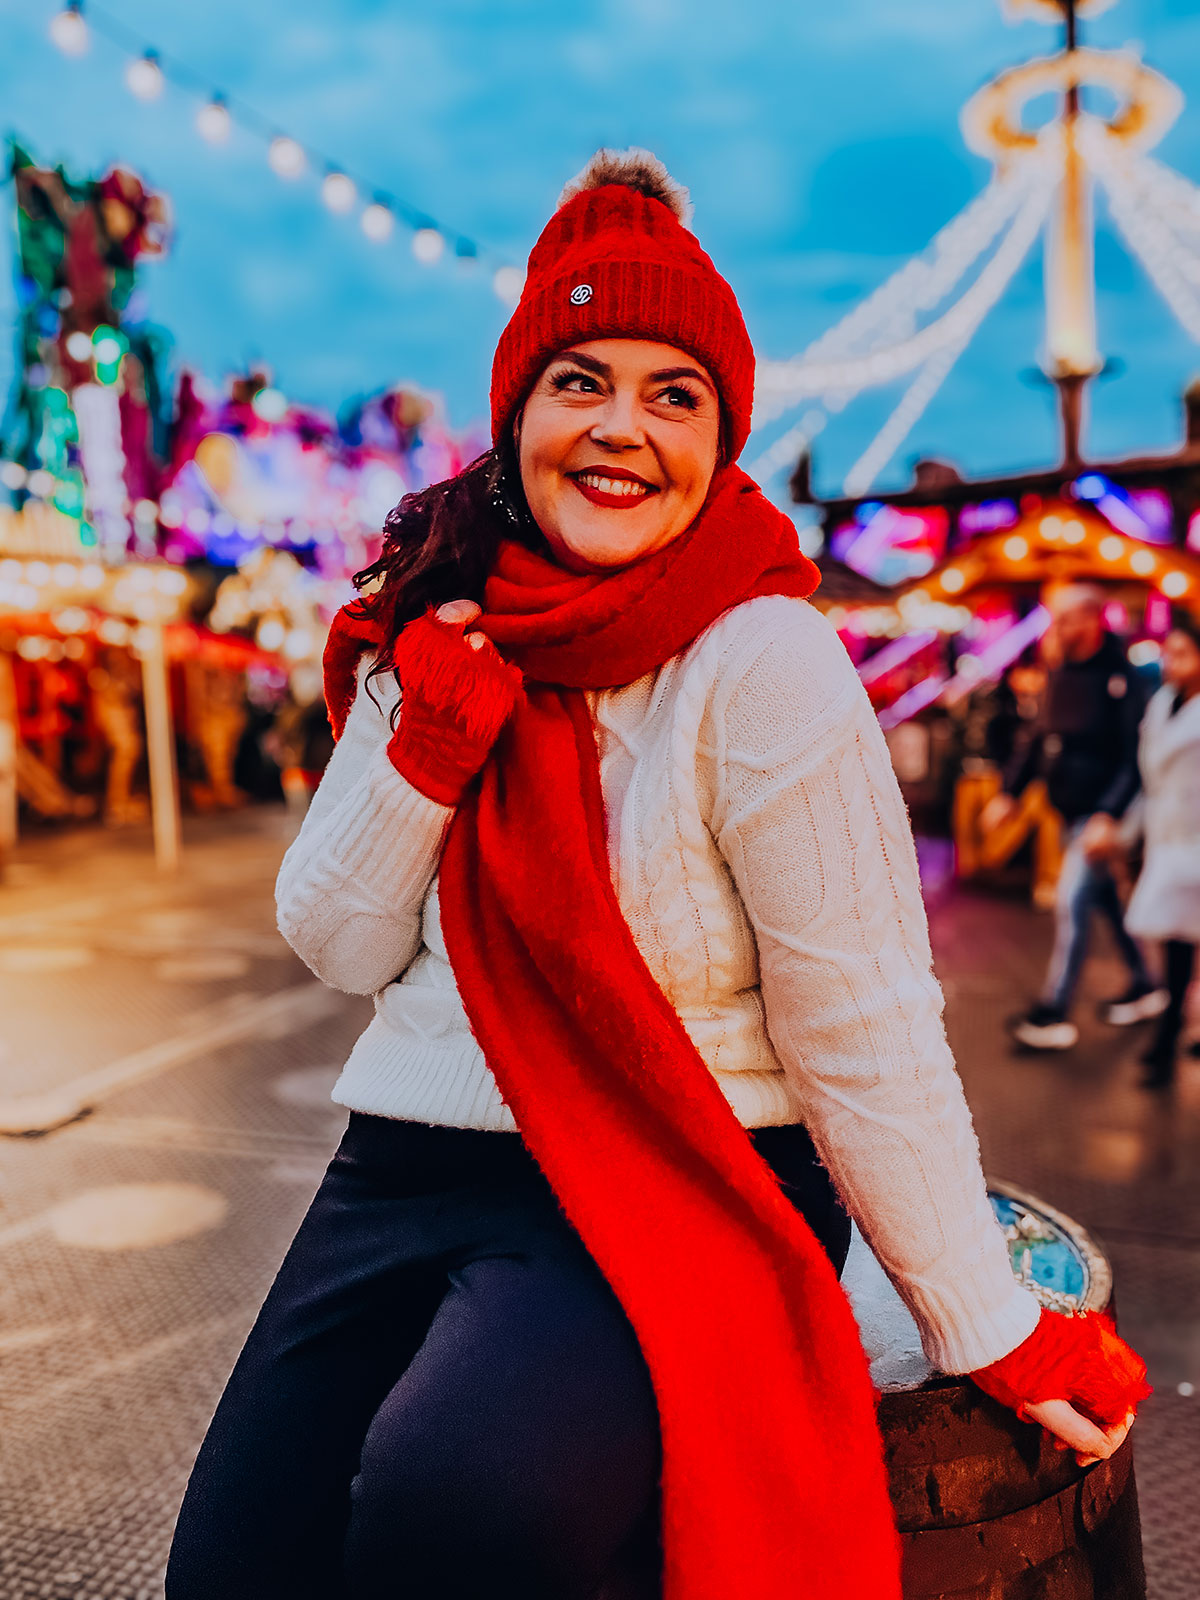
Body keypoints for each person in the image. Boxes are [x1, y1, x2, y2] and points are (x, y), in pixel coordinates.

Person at [166, 151, 1148, 1600]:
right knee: (238, 1557)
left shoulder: (764, 662)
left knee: (468, 1510)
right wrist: (428, 749)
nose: (622, 428)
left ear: (720, 432)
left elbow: (864, 1025)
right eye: (581, 380)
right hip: (407, 1165)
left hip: (685, 1164)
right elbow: (339, 943)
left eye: (671, 393)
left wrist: (982, 1318)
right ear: (519, 413)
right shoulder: (435, 632)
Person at [983, 585, 1166, 1050]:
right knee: (1102, 899)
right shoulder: (1059, 673)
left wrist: (1108, 815)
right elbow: (1036, 737)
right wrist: (1009, 793)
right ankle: (1146, 984)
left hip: (1101, 815)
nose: (1057, 630)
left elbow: (1135, 757)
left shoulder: (1125, 677)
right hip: (1068, 810)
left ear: (1090, 620)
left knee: (1072, 901)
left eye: (1065, 620)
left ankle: (1054, 1012)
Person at [1122, 617, 1200, 1087]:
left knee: (1183, 944)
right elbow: (1148, 780)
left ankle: (1170, 1035)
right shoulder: (1162, 704)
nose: (1171, 661)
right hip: (1173, 841)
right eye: (1169, 651)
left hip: (1193, 839)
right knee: (1176, 944)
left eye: (1183, 652)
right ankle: (1168, 1037)